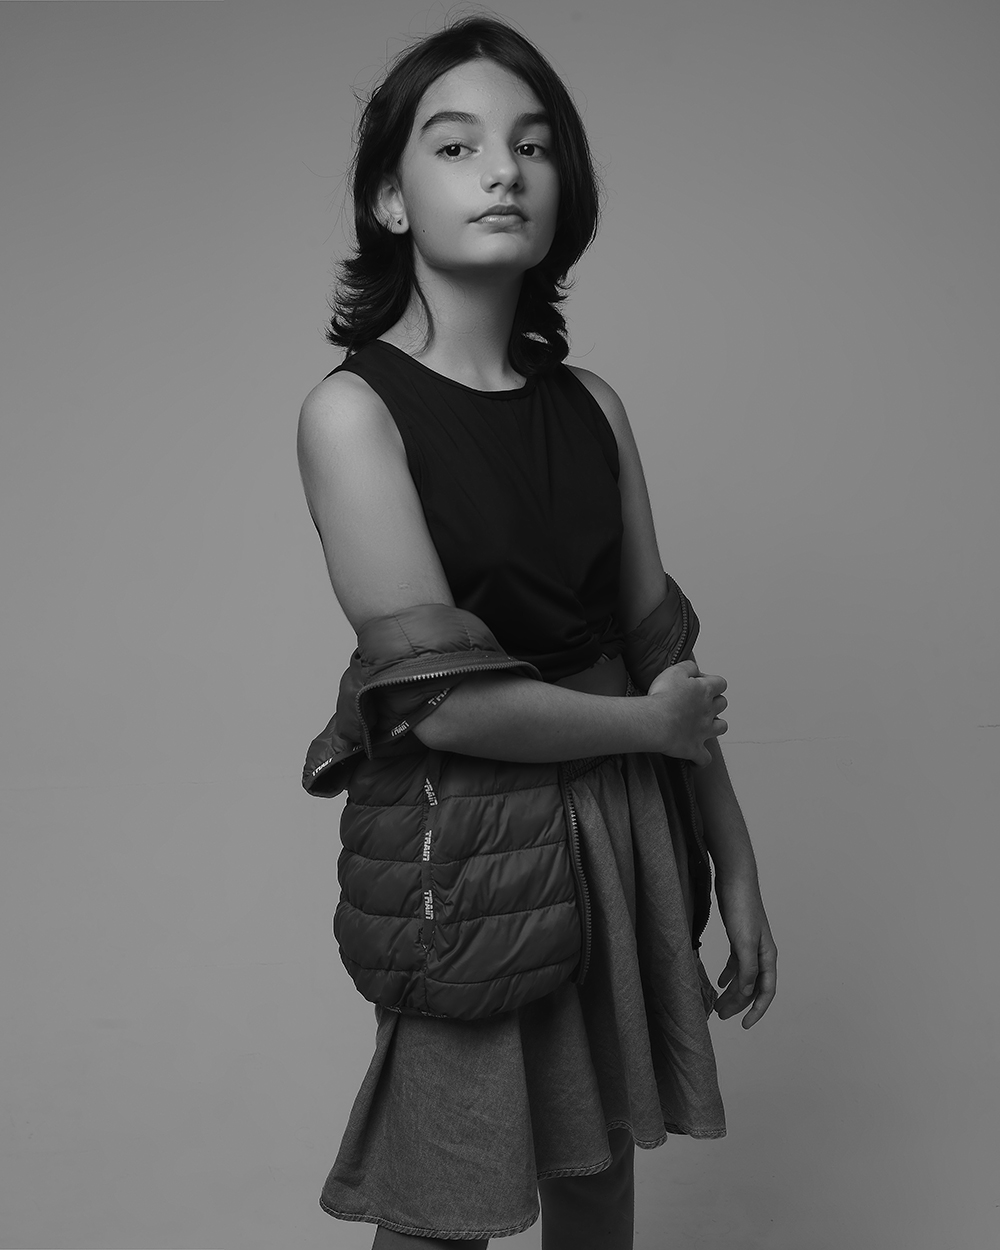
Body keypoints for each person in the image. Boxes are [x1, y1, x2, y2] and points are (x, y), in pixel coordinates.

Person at [297, 16, 777, 1249]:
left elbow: (660, 645)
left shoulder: (592, 405)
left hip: (627, 823)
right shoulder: (353, 413)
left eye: (532, 145)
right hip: (470, 842)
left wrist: (734, 858)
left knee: (597, 1162)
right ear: (389, 200)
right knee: (441, 1199)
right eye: (455, 146)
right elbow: (443, 701)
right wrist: (647, 725)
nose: (502, 171)